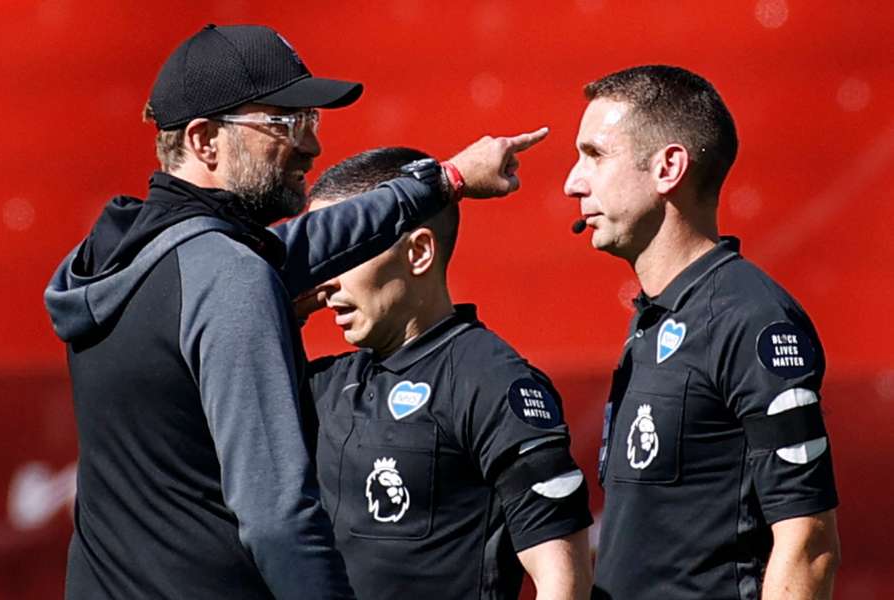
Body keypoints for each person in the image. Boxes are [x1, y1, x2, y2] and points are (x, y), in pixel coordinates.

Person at [43, 24, 546, 600]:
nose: (311, 146)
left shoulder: (116, 259)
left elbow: (308, 242)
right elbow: (278, 519)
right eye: (285, 124)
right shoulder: (227, 276)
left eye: (311, 122)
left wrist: (446, 179)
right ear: (206, 141)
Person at [562, 65, 840, 600]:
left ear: (669, 168)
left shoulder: (751, 318)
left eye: (594, 155)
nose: (573, 182)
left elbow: (809, 541)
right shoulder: (658, 315)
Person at [301, 147, 594, 600]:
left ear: (418, 253)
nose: (324, 280)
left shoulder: (491, 381)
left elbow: (563, 578)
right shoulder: (324, 385)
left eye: (343, 252)